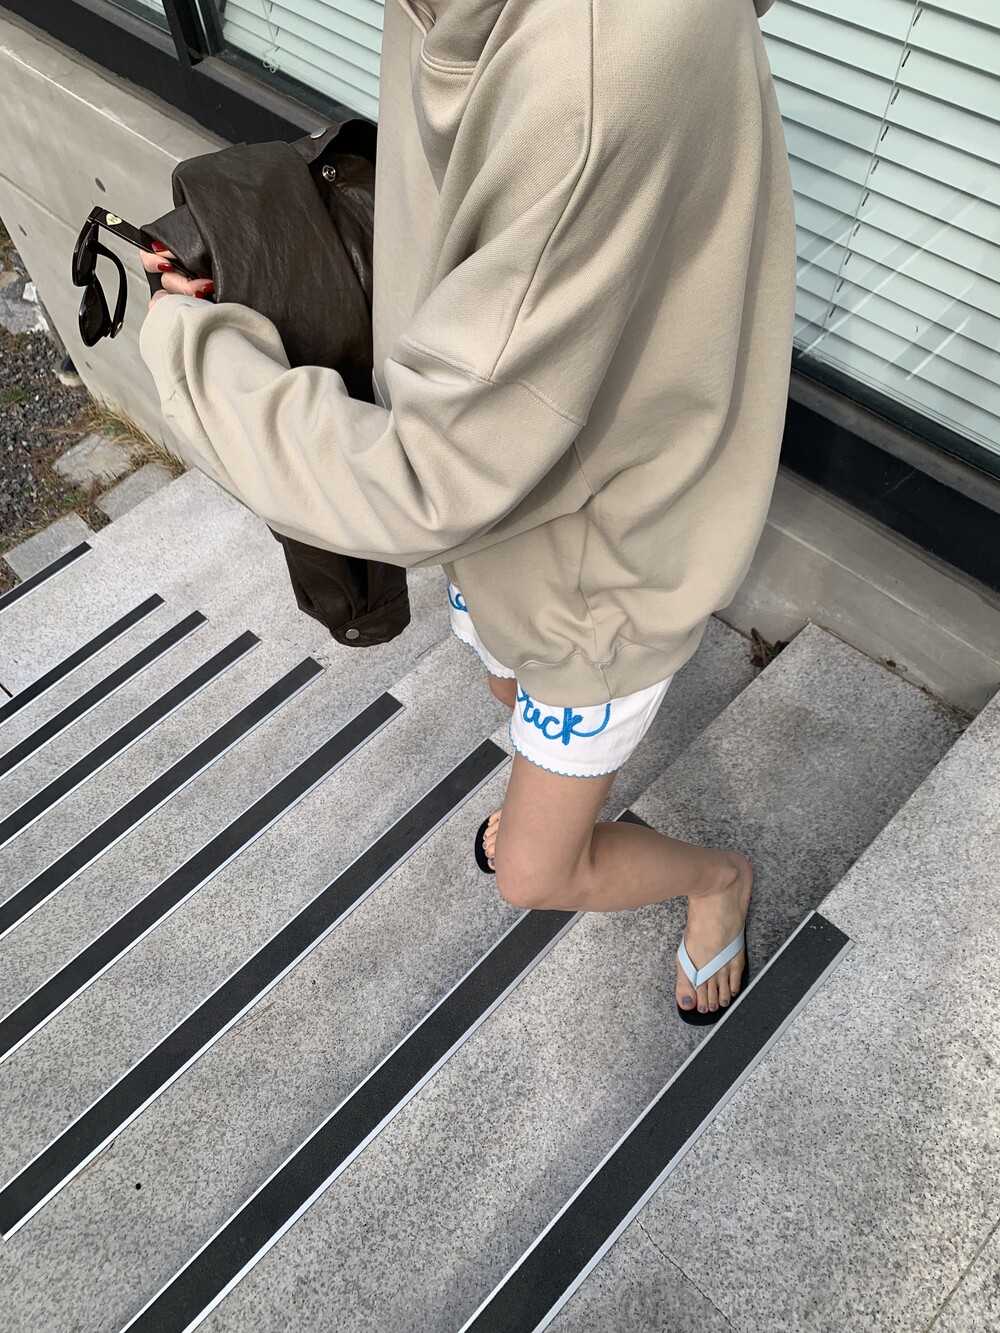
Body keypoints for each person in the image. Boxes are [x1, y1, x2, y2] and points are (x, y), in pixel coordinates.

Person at [138, 0, 795, 1024]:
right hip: (507, 476)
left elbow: (417, 483)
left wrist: (193, 347)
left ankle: (717, 879)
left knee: (534, 871)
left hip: (600, 559)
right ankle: (552, 784)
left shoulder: (588, 84)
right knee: (500, 677)